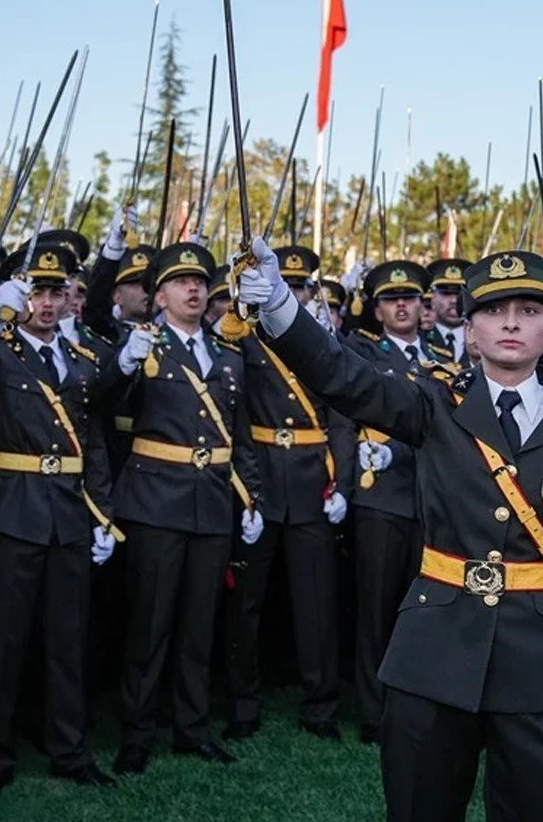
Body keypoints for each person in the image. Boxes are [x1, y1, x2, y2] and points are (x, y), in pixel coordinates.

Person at [239, 245, 543, 822]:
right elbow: (345, 378)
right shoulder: (434, 403)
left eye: (530, 310)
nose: (511, 322)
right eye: (493, 309)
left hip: (542, 666)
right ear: (470, 330)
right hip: (434, 653)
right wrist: (282, 307)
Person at [0, 242, 119, 798]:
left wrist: (102, 513)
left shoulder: (80, 362)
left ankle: (69, 750)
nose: (46, 304)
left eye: (55, 292)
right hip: (11, 509)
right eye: (36, 293)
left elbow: (92, 443)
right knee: (2, 640)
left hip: (69, 515)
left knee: (66, 641)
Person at [103, 241, 264, 775]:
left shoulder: (226, 353)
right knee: (150, 625)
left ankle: (192, 729)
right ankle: (137, 731)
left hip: (212, 502)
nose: (194, 289)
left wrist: (251, 496)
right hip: (155, 500)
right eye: (180, 281)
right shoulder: (142, 347)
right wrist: (122, 365)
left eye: (199, 281)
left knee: (199, 624)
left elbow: (240, 436)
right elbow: (101, 405)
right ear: (160, 295)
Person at [224, 244, 352, 740]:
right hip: (259, 478)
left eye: (301, 287)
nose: (293, 294)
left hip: (311, 481)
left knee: (316, 602)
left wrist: (341, 481)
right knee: (247, 602)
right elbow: (232, 413)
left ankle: (320, 705)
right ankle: (242, 703)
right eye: (287, 285)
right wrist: (245, 486)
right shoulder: (245, 336)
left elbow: (340, 415)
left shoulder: (318, 341)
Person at [342, 260, 444, 745]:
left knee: (424, 611)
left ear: (424, 305)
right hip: (380, 495)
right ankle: (373, 709)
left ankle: (417, 704)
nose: (401, 305)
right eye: (390, 298)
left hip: (429, 495)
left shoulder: (444, 353)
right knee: (376, 609)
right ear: (376, 309)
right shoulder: (363, 349)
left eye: (410, 297)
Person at [424, 257, 471, 362]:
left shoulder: (482, 342)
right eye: (446, 293)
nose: (454, 300)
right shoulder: (419, 340)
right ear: (433, 299)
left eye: (460, 294)